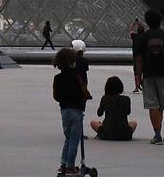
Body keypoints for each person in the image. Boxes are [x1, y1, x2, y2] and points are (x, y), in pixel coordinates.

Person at [134, 8, 164, 145]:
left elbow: (139, 60)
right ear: (160, 20)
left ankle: (157, 135)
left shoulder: (142, 38)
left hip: (148, 75)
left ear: (147, 21)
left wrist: (138, 78)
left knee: (153, 106)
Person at [52, 47, 90, 175]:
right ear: (72, 61)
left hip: (64, 111)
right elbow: (84, 90)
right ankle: (70, 167)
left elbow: (55, 96)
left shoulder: (57, 78)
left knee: (68, 139)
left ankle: (63, 165)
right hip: (77, 110)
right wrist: (87, 96)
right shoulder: (77, 76)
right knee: (74, 140)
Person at [89, 76, 136, 141]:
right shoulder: (126, 99)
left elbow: (99, 113)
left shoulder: (105, 98)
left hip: (107, 133)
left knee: (93, 123)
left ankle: (102, 132)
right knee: (133, 123)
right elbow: (128, 112)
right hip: (124, 134)